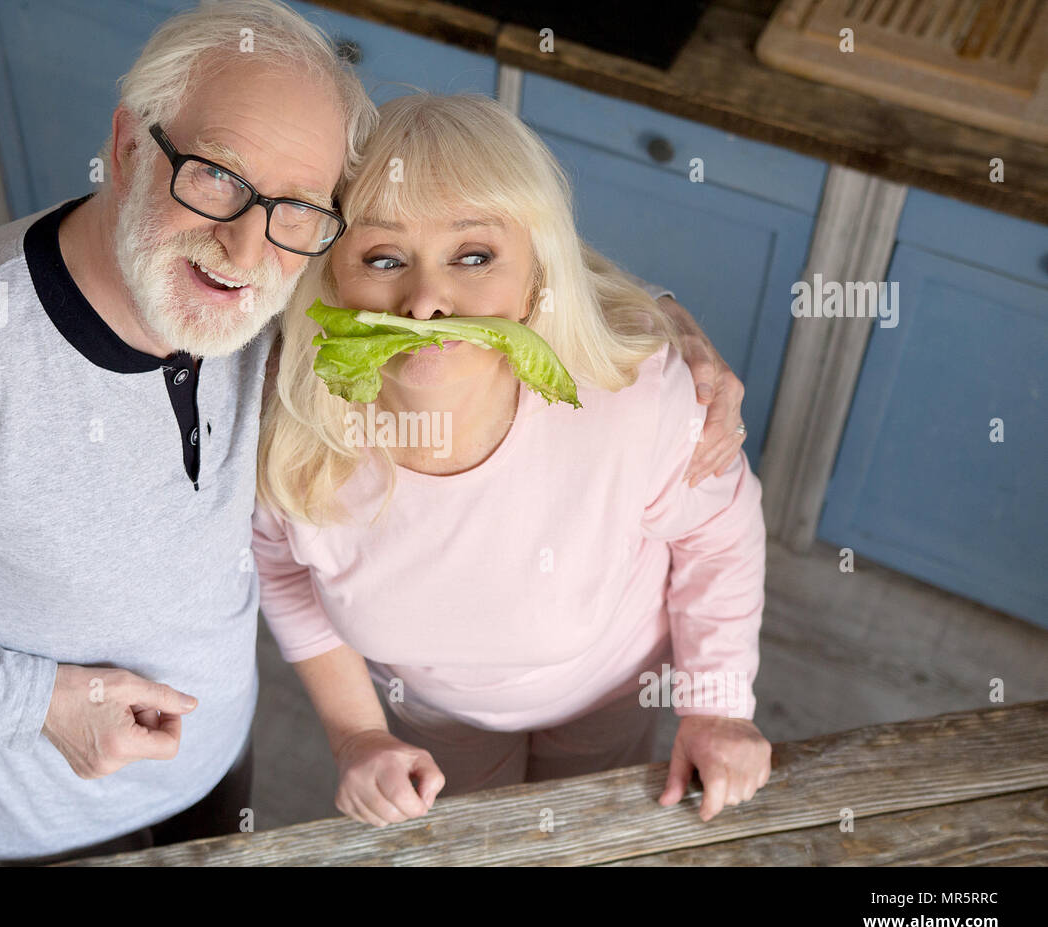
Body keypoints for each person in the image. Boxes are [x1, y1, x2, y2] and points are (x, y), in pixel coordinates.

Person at [0, 1, 743, 863]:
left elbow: (460, 269)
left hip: (216, 758)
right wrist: (37, 702)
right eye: (217, 177)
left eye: (294, 208)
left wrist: (660, 326)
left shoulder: (271, 303)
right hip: (42, 801)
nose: (242, 244)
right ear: (132, 146)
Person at [253, 92, 771, 829]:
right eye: (383, 257)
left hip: (611, 691)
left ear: (536, 281)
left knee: (586, 834)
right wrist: (357, 734)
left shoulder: (634, 400)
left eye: (474, 256)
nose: (427, 301)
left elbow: (718, 531)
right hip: (426, 712)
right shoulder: (296, 429)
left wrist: (717, 706)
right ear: (332, 280)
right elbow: (282, 571)